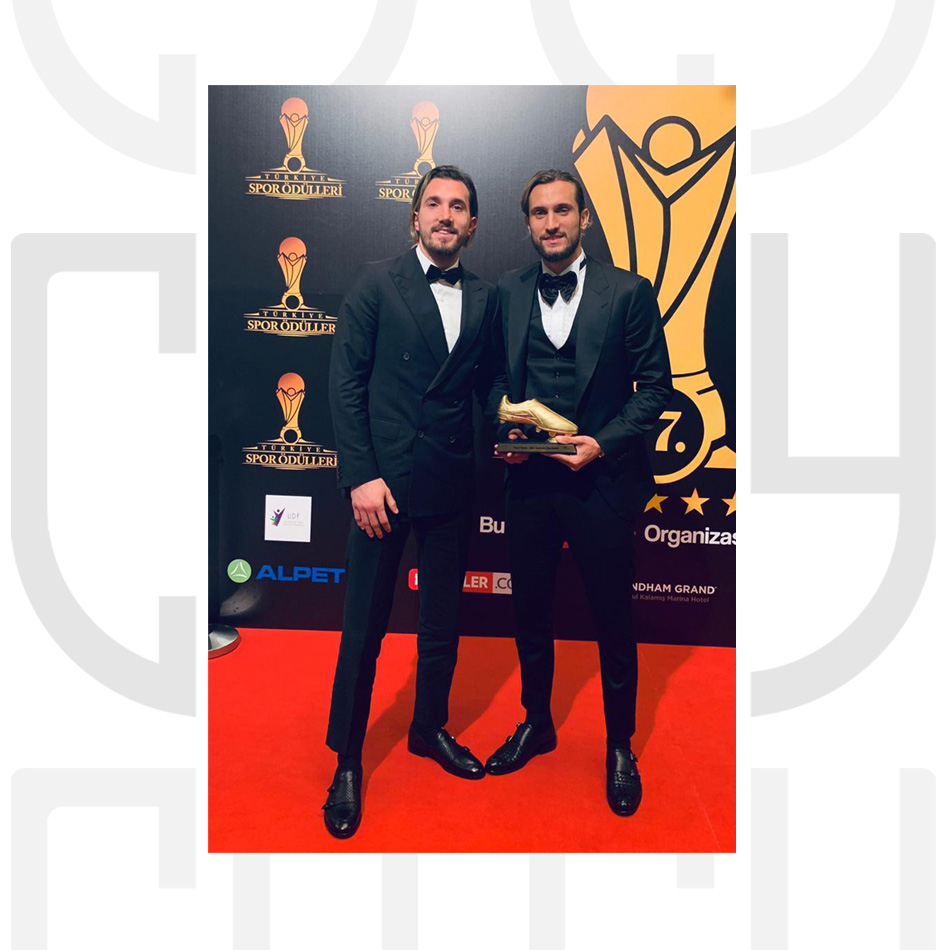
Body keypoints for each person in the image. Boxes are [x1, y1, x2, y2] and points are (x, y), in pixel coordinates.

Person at [487, 169, 672, 816]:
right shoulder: (507, 291)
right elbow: (491, 378)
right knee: (530, 613)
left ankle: (620, 745)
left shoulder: (630, 291)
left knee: (612, 618)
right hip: (528, 483)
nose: (552, 223)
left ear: (584, 218)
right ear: (528, 223)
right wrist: (505, 428)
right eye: (539, 213)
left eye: (562, 210)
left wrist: (603, 443)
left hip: (602, 483)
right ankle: (536, 723)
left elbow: (655, 388)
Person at [323, 166, 500, 837]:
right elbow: (346, 384)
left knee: (442, 623)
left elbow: (487, 385)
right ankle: (347, 758)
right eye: (434, 203)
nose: (445, 215)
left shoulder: (484, 297)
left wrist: (515, 428)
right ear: (415, 217)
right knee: (364, 630)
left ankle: (429, 728)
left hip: (452, 482)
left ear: (473, 224)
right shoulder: (376, 282)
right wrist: (360, 476)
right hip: (384, 488)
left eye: (458, 206)